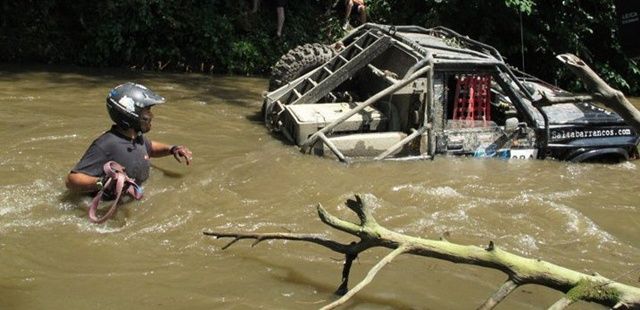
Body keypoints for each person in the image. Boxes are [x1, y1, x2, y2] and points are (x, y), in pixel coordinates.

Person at [66, 82, 192, 195]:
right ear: (131, 114)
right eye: (147, 111)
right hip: (107, 205)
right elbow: (71, 180)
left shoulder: (135, 137)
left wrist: (172, 149)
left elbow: (150, 148)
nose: (151, 115)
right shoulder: (107, 144)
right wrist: (102, 182)